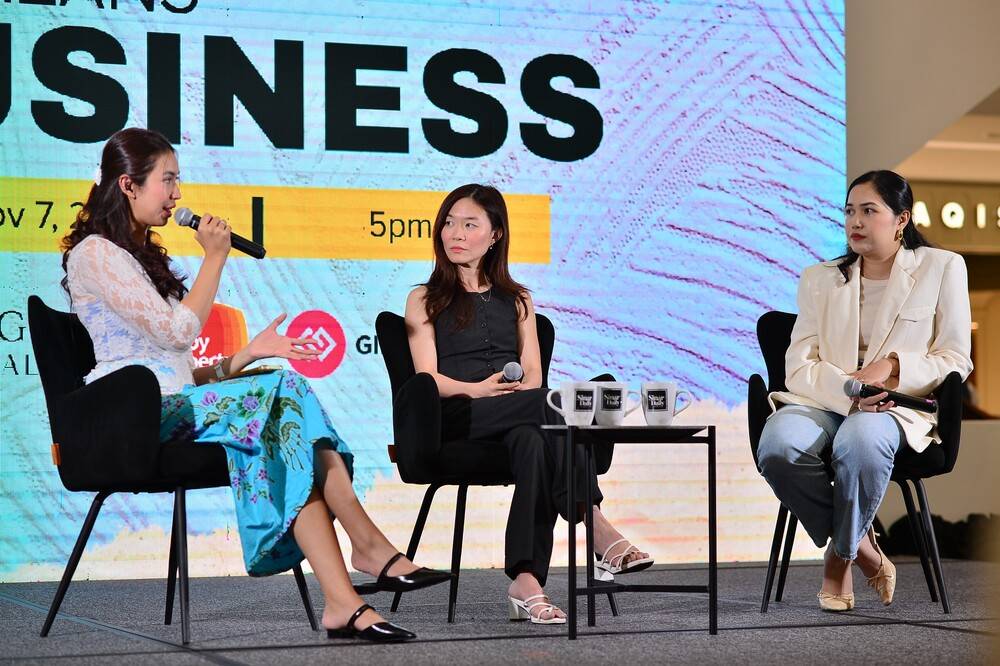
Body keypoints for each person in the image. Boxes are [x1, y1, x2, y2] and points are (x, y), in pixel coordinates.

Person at [61, 127, 450, 642]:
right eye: (168, 181)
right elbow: (175, 333)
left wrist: (246, 356)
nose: (178, 196)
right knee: (284, 399)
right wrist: (216, 257)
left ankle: (343, 602)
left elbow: (177, 370)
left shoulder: (136, 256)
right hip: (126, 421)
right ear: (129, 185)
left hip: (168, 405)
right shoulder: (96, 253)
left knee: (286, 426)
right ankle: (367, 543)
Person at [404, 184, 652, 625]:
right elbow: (427, 378)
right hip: (455, 416)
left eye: (469, 224)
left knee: (536, 439)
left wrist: (516, 395)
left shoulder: (519, 300)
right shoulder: (423, 298)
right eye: (448, 222)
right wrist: (481, 389)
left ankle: (526, 581)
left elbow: (534, 375)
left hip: (517, 413)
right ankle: (594, 523)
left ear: (495, 234)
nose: (454, 233)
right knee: (557, 408)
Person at [758, 170, 973, 611]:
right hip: (825, 400)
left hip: (897, 407)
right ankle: (861, 548)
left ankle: (838, 560)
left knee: (861, 440)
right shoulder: (820, 278)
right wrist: (849, 391)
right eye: (850, 211)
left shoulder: (942, 267)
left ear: (901, 219)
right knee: (778, 444)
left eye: (869, 211)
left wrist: (892, 367)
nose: (855, 221)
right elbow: (798, 367)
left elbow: (955, 359)